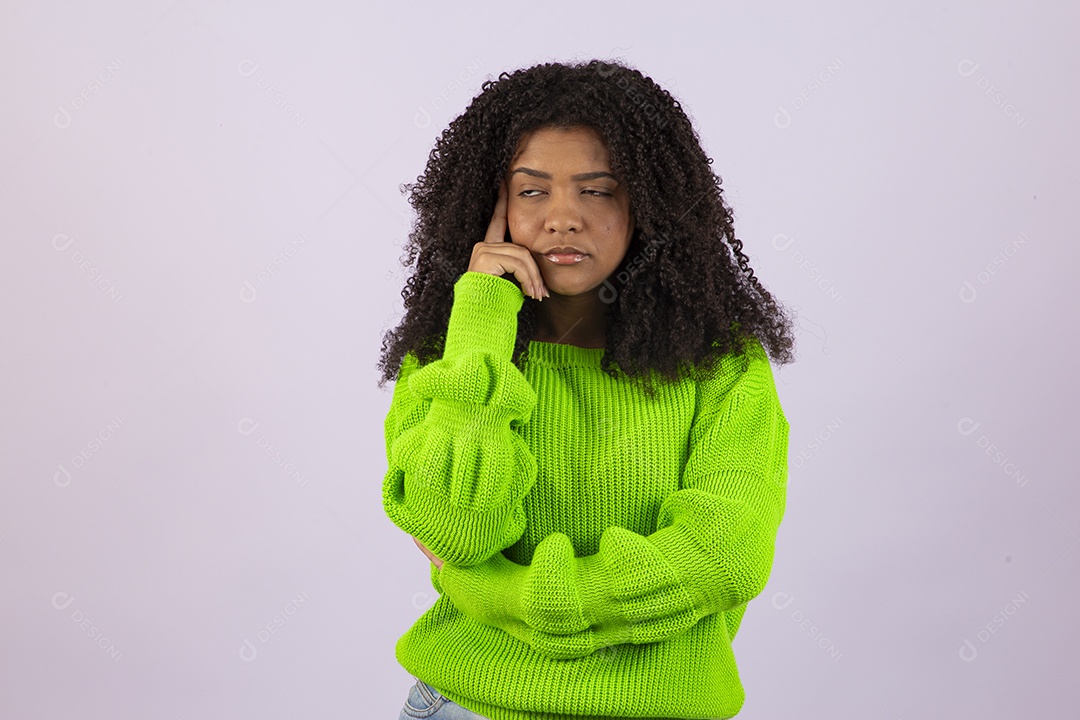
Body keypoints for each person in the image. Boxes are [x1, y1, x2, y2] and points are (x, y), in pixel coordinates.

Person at [377, 58, 797, 720]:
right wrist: (483, 314)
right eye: (533, 192)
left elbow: (724, 557)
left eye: (597, 191)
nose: (564, 218)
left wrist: (505, 596)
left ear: (648, 204)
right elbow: (458, 530)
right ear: (494, 207)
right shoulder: (453, 357)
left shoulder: (721, 366)